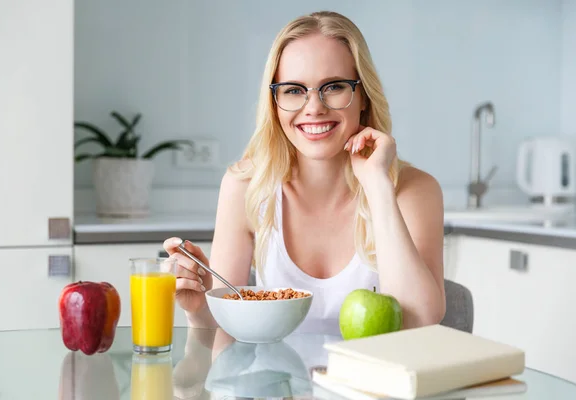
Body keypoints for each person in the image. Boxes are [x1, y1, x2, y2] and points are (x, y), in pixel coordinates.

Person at [164, 10, 446, 335]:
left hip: (377, 384)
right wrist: (199, 310)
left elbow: (421, 320)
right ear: (274, 102)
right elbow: (224, 333)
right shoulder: (244, 186)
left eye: (334, 86)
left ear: (364, 97)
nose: (314, 107)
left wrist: (378, 186)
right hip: (278, 386)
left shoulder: (414, 190)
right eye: (294, 90)